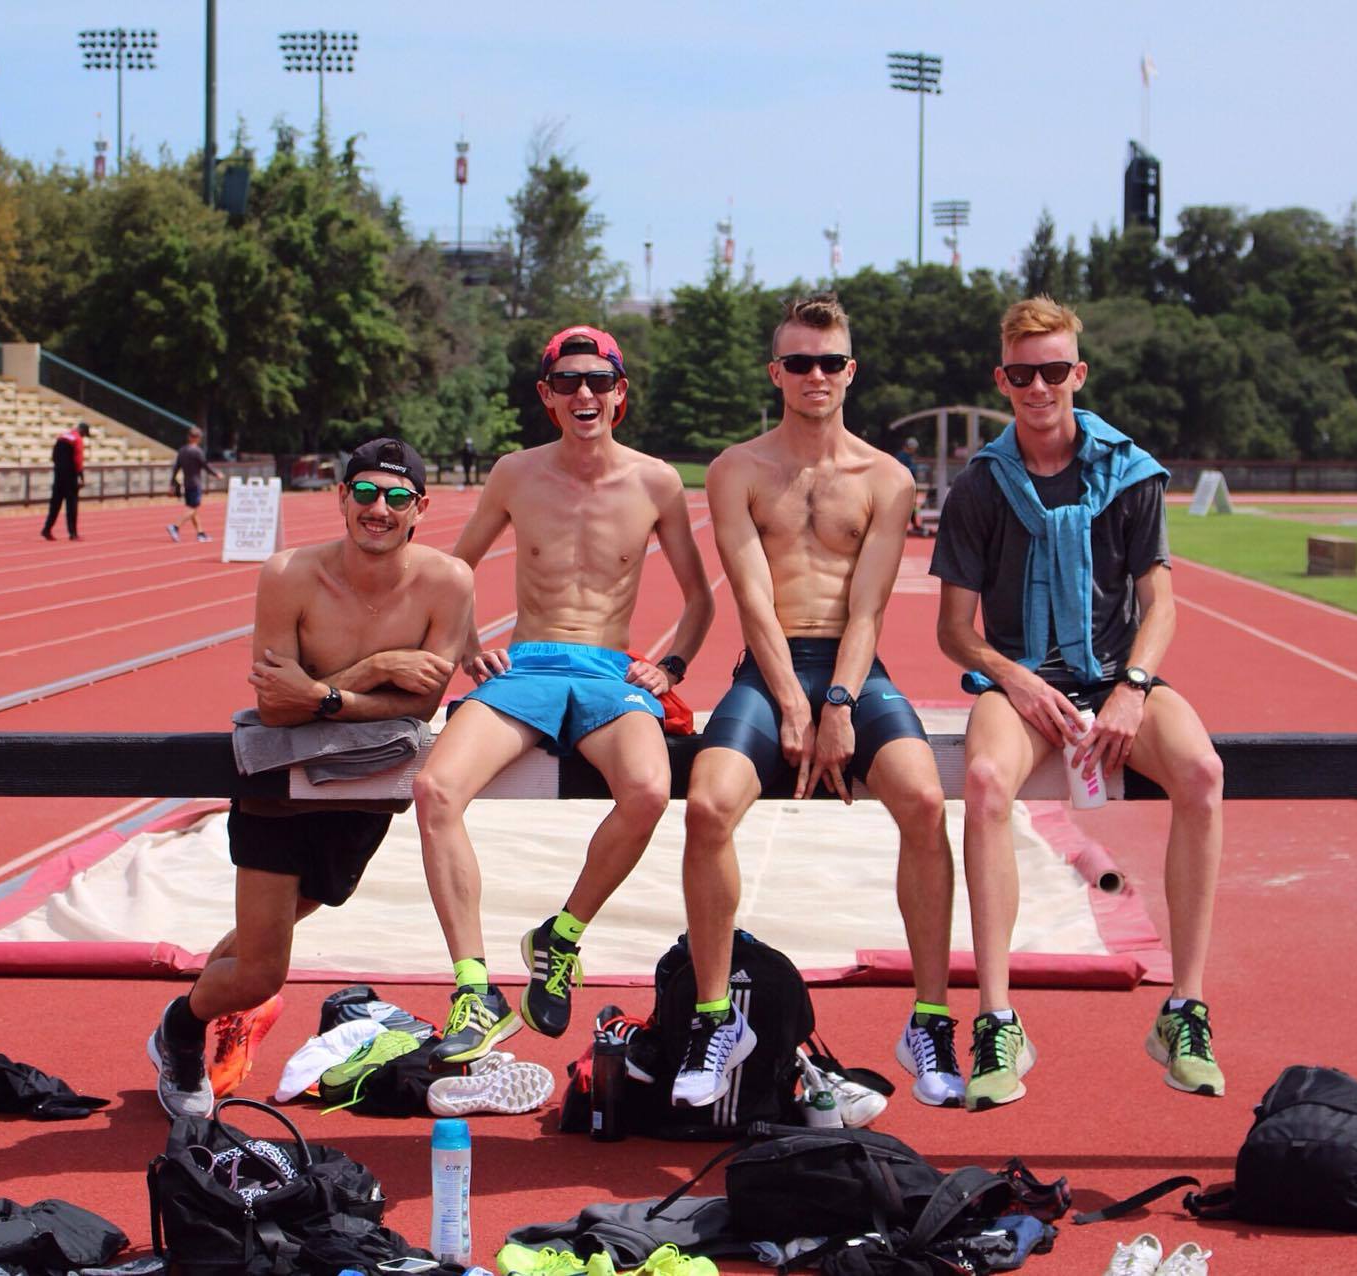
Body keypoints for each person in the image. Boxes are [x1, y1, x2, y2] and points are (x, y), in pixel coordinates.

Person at [931, 296, 1225, 1108]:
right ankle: (997, 1020)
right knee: (986, 783)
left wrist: (1131, 689)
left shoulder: (1127, 472)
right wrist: (1017, 680)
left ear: (1078, 374)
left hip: (1111, 676)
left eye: (1053, 370)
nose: (1038, 386)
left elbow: (1160, 604)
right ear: (1002, 378)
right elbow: (955, 633)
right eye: (1022, 373)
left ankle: (1185, 1009)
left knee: (1201, 772)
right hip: (1021, 672)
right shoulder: (982, 487)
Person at [673, 294, 960, 1110]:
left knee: (924, 802)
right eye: (798, 362)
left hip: (853, 667)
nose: (815, 375)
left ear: (850, 371)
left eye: (829, 361)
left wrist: (835, 701)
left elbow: (869, 608)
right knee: (705, 807)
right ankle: (711, 1015)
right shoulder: (737, 469)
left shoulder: (888, 478)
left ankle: (930, 1020)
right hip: (768, 666)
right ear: (776, 373)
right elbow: (750, 597)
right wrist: (792, 706)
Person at [412, 325, 714, 1067]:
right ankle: (474, 988)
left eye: (600, 382)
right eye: (570, 382)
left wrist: (670, 665)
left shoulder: (657, 481)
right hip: (530, 665)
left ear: (621, 393)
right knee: (434, 790)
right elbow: (454, 570)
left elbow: (700, 598)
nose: (586, 394)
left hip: (611, 669)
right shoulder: (516, 473)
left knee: (648, 789)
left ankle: (563, 935)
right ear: (546, 395)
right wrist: (465, 642)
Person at [147, 438, 472, 1118]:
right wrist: (372, 671)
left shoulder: (448, 583)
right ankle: (180, 1030)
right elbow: (274, 706)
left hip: (365, 788)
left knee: (279, 927)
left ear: (420, 508)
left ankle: (219, 1002)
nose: (377, 509)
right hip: (279, 786)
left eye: (395, 497)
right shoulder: (289, 574)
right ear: (342, 498)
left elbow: (424, 701)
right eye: (363, 493)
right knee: (265, 968)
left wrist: (320, 696)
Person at [167, 425, 223, 542]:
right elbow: (205, 465)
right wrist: (216, 474)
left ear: (189, 437)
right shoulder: (197, 452)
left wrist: (172, 484)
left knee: (194, 510)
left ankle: (200, 533)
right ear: (198, 438)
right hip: (195, 483)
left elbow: (176, 468)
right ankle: (175, 526)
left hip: (187, 484)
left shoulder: (182, 451)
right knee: (193, 509)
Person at [41, 422, 89, 541]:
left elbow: (54, 456)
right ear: (82, 431)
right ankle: (72, 533)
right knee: (71, 505)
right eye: (84, 434)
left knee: (55, 504)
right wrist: (80, 476)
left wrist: (59, 468)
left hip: (58, 475)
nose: (84, 437)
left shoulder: (61, 436)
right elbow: (78, 459)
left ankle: (47, 529)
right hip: (70, 476)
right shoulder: (77, 440)